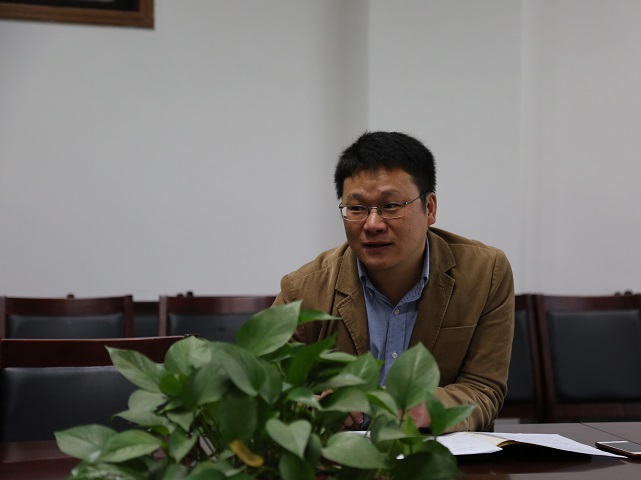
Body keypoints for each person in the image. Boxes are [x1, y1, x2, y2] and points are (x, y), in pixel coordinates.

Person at [273, 131, 514, 432]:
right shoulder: (303, 290)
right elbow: (268, 396)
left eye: (390, 206)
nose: (372, 224)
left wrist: (427, 406)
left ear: (430, 208)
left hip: (441, 452)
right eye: (357, 208)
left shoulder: (485, 273)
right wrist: (319, 408)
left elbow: (484, 387)